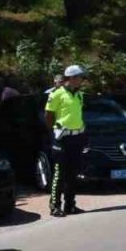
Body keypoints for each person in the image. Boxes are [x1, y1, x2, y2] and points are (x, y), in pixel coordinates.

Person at [44, 65, 88, 217]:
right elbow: (48, 116)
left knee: (73, 172)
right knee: (60, 172)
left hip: (77, 137)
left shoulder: (80, 95)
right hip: (62, 138)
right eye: (80, 77)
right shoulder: (57, 94)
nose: (82, 80)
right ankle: (55, 206)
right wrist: (53, 135)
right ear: (72, 78)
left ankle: (70, 205)